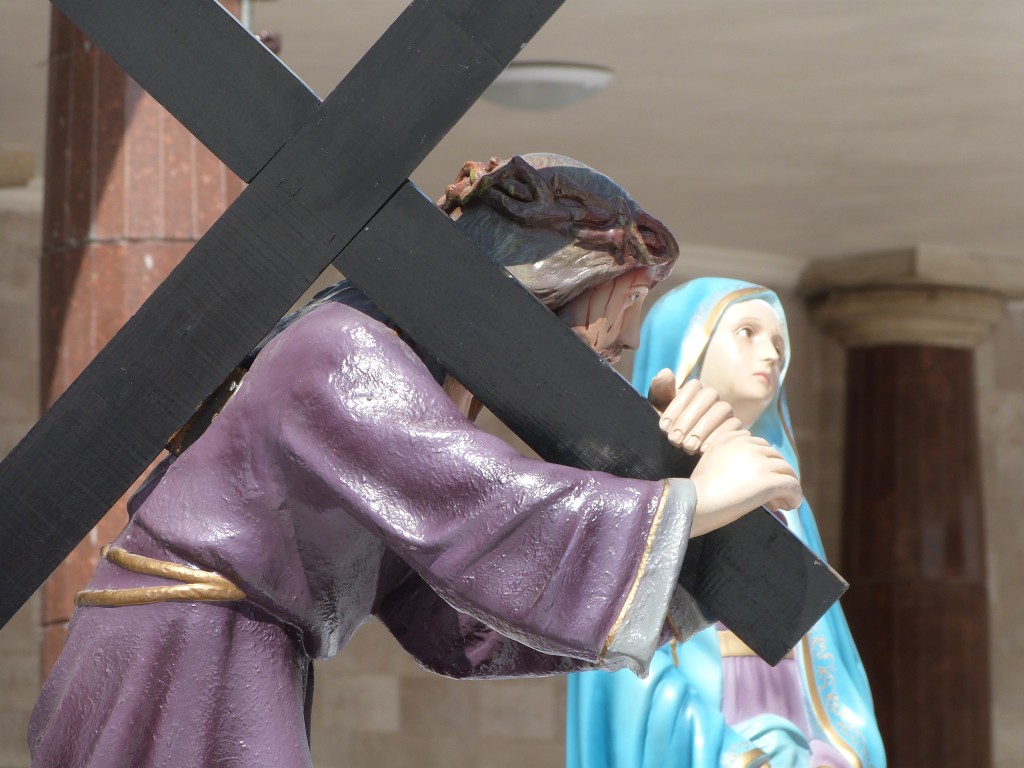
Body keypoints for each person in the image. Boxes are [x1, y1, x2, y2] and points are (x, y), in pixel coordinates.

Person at [30, 159, 801, 768]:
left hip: (236, 654)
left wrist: (692, 566)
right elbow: (488, 507)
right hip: (177, 651)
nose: (621, 343)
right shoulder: (343, 353)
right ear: (548, 283)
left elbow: (455, 625)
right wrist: (690, 504)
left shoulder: (419, 392)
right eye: (618, 308)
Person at [566, 277, 886, 768]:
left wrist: (830, 753)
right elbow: (621, 663)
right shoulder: (642, 487)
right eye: (747, 333)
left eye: (779, 343)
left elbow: (828, 664)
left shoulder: (787, 501)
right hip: (710, 734)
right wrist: (729, 753)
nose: (771, 354)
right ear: (688, 345)